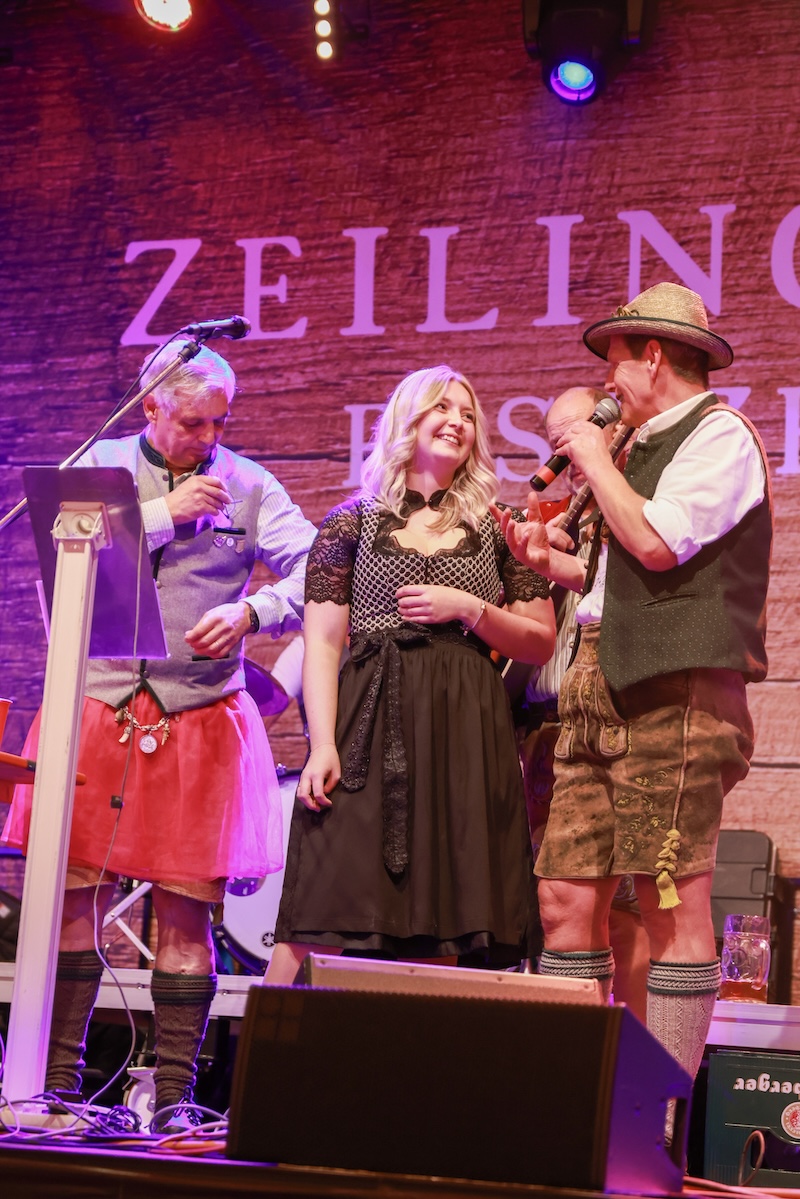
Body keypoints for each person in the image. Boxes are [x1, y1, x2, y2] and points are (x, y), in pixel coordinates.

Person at [2, 340, 317, 1128]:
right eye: (192, 422)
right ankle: (55, 1090)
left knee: (186, 913)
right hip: (96, 707)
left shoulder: (250, 484)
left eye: (220, 423)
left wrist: (254, 610)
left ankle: (175, 1097)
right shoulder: (98, 465)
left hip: (198, 718)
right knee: (75, 901)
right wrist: (159, 515)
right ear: (151, 407)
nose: (209, 438)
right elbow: (60, 554)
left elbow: (320, 567)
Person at [495, 282, 771, 1084]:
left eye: (614, 362)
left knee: (667, 902)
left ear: (653, 357)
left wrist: (589, 456)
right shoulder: (635, 445)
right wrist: (553, 563)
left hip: (674, 698)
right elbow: (619, 577)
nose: (607, 382)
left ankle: (666, 1111)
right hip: (593, 688)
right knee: (564, 899)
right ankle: (574, 1100)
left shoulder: (718, 435)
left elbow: (656, 543)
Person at [264, 365, 556, 983]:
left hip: (465, 729)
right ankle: (272, 1031)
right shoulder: (351, 522)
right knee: (324, 886)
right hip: (370, 717)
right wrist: (321, 745)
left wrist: (471, 609)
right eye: (441, 408)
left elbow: (540, 640)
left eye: (468, 414)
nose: (457, 421)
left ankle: (424, 1035)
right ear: (407, 419)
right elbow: (322, 643)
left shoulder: (499, 525)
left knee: (447, 904)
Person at [514, 386, 650, 1020]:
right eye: (558, 443)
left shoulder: (632, 502)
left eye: (579, 435)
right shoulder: (554, 515)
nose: (567, 454)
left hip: (614, 721)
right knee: (556, 902)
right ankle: (571, 1045)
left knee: (623, 904)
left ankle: (635, 1055)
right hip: (542, 731)